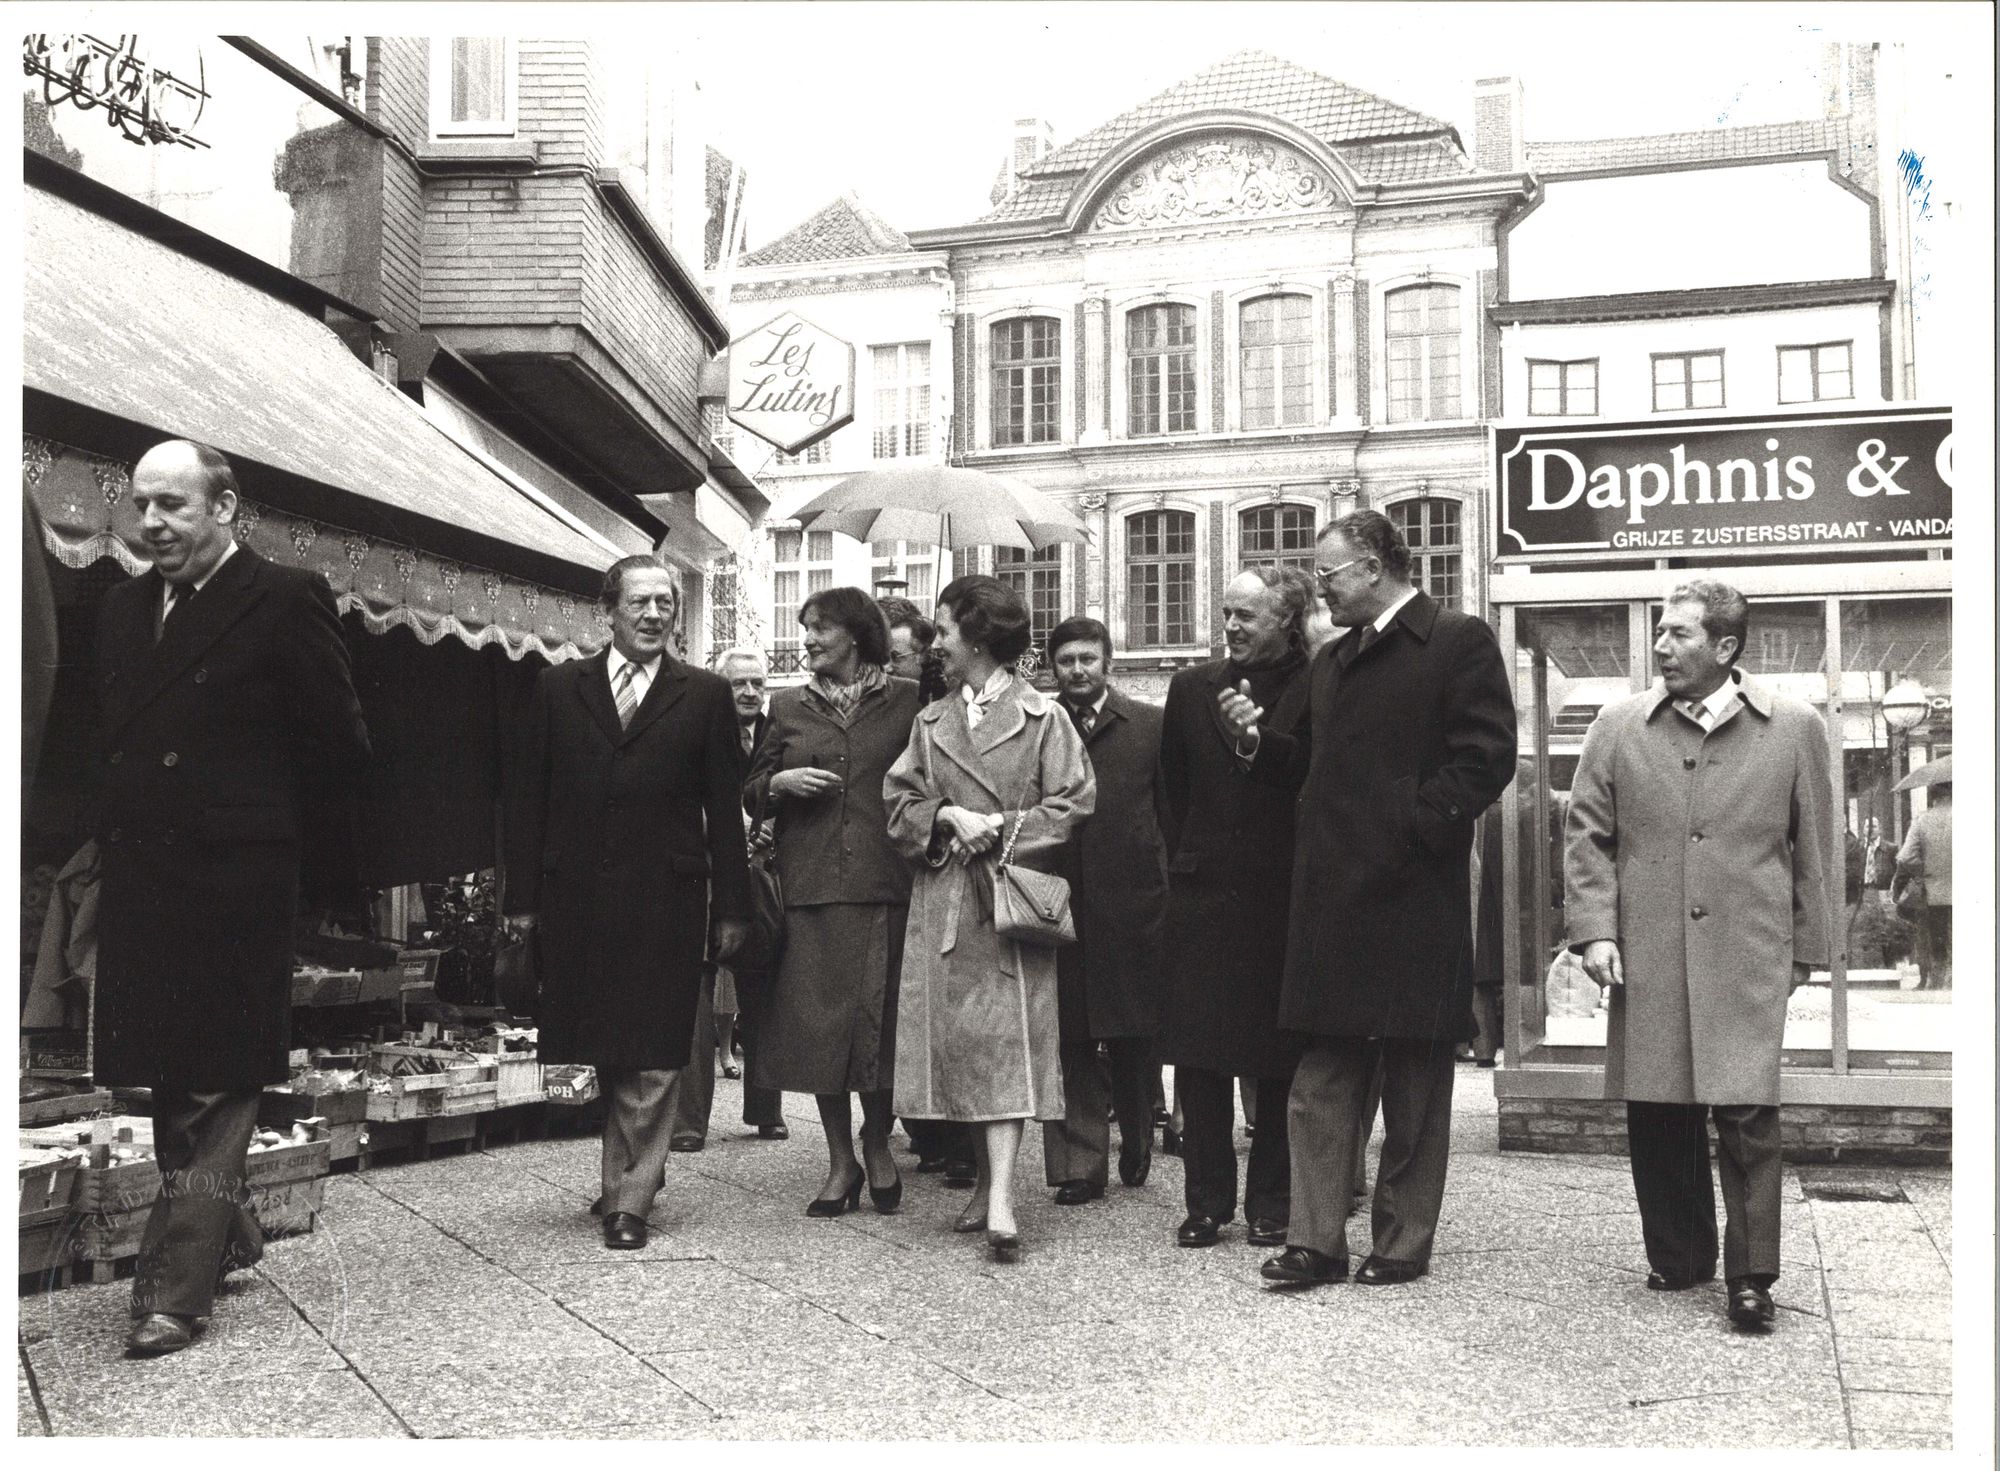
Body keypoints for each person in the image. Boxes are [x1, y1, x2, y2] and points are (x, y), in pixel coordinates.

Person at [93, 441, 370, 1356]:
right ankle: (228, 1230)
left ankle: (174, 1291)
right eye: (141, 505)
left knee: (214, 1082)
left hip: (235, 886)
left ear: (225, 507)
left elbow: (340, 751)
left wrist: (313, 884)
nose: (151, 525)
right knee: (171, 1079)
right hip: (145, 880)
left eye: (172, 505)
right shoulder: (123, 605)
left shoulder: (287, 598)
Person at [1224, 510, 1516, 1290]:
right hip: (1332, 904)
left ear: (1379, 566)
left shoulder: (1457, 641)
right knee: (1322, 1077)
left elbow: (1487, 758)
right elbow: (1306, 766)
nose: (1321, 589)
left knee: (1415, 1081)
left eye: (1330, 574)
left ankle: (1401, 1242)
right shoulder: (1332, 661)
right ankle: (1315, 1240)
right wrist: (1257, 744)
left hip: (1415, 899)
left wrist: (1410, 826)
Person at [1565, 579, 1832, 1331]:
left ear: (1725, 646)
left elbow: (1812, 845)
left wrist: (1806, 949)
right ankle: (1679, 1255)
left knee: (1749, 1111)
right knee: (1658, 1106)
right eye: (1659, 630)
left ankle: (1752, 1275)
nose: (1661, 645)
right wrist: (1596, 930)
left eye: (1679, 633)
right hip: (1648, 947)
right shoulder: (1618, 726)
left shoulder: (1792, 726)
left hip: (1749, 949)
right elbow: (1586, 835)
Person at [506, 556, 751, 1251]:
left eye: (665, 604)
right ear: (607, 612)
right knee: (607, 1044)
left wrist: (732, 906)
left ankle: (630, 1200)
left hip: (666, 897)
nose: (653, 614)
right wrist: (522, 901)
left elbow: (724, 810)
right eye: (639, 602)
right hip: (577, 895)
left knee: (653, 1046)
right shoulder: (558, 688)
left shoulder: (704, 695)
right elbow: (529, 800)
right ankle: (630, 1172)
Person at [884, 575, 1095, 1261]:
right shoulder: (929, 721)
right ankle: (983, 1189)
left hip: (1007, 904)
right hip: (945, 900)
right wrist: (945, 816)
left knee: (1004, 1044)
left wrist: (1000, 825)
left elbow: (1074, 802)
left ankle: (1003, 1197)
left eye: (943, 630)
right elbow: (898, 803)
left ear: (975, 638)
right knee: (964, 1046)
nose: (934, 643)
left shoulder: (1045, 718)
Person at [745, 589, 923, 1215]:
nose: (809, 639)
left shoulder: (908, 700)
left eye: (819, 628)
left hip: (886, 888)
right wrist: (778, 783)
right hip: (811, 890)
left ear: (855, 634)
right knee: (820, 1032)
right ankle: (839, 1159)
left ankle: (877, 1143)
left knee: (876, 1032)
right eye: (806, 628)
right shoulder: (787, 705)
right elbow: (749, 790)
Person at [1157, 564, 1315, 1250]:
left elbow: (1318, 774)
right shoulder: (1193, 688)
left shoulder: (1320, 684)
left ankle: (1271, 1203)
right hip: (1204, 898)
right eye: (1226, 613)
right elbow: (1171, 792)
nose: (1230, 626)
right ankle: (1206, 1201)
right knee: (1200, 1059)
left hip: (1283, 898)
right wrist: (1194, 857)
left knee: (1278, 1062)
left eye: (1246, 616)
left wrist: (1260, 743)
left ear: (1286, 619)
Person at [1041, 616, 1168, 1205]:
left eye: (1087, 659)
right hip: (1059, 896)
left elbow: (1169, 811)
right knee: (1068, 1031)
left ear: (1107, 662)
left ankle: (1139, 1132)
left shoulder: (1148, 725)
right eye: (1066, 660)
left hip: (1131, 896)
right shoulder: (1039, 725)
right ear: (1053, 666)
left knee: (1133, 1029)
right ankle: (1080, 1165)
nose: (1077, 671)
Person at [666, 647, 787, 1148]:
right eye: (739, 684)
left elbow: (792, 797)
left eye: (758, 683)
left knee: (763, 991)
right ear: (721, 687)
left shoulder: (779, 734)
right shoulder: (692, 727)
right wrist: (724, 829)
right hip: (704, 875)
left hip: (760, 876)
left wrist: (769, 829)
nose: (750, 692)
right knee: (696, 996)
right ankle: (690, 1123)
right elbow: (673, 794)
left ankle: (766, 1110)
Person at [878, 594, 972, 1182]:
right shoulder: (902, 712)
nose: (894, 672)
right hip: (902, 862)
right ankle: (927, 1127)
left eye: (901, 659)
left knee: (958, 1006)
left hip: (955, 865)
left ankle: (959, 1139)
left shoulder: (941, 704)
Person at [1895, 783, 1952, 990]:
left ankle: (1938, 985)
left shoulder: (1922, 820)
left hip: (1934, 893)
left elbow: (1905, 857)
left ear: (1934, 798)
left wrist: (1927, 867)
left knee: (1937, 942)